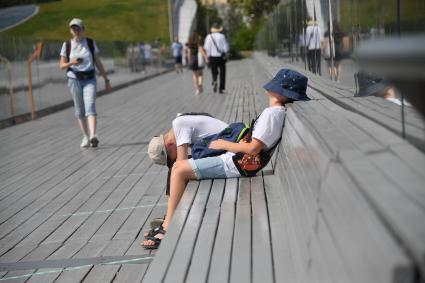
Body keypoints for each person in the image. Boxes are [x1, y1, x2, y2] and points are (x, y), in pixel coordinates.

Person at [142, 69, 310, 249]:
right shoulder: (274, 112)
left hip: (235, 165)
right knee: (179, 169)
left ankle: (168, 226)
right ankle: (170, 219)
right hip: (236, 162)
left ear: (279, 91)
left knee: (178, 170)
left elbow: (253, 148)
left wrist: (224, 144)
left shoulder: (273, 114)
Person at [59, 18, 111, 148]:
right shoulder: (67, 45)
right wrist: (72, 62)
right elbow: (61, 65)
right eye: (73, 28)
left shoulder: (90, 43)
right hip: (74, 79)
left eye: (78, 28)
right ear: (70, 30)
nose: (76, 30)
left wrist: (106, 79)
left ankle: (93, 135)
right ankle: (85, 137)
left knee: (90, 107)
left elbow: (98, 62)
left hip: (90, 78)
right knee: (79, 110)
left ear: (83, 29)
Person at [204, 23, 229, 94]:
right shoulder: (222, 36)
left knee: (214, 71)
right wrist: (225, 53)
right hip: (221, 57)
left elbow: (206, 48)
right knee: (222, 73)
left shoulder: (208, 37)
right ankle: (221, 89)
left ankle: (214, 80)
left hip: (212, 57)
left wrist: (208, 57)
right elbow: (226, 48)